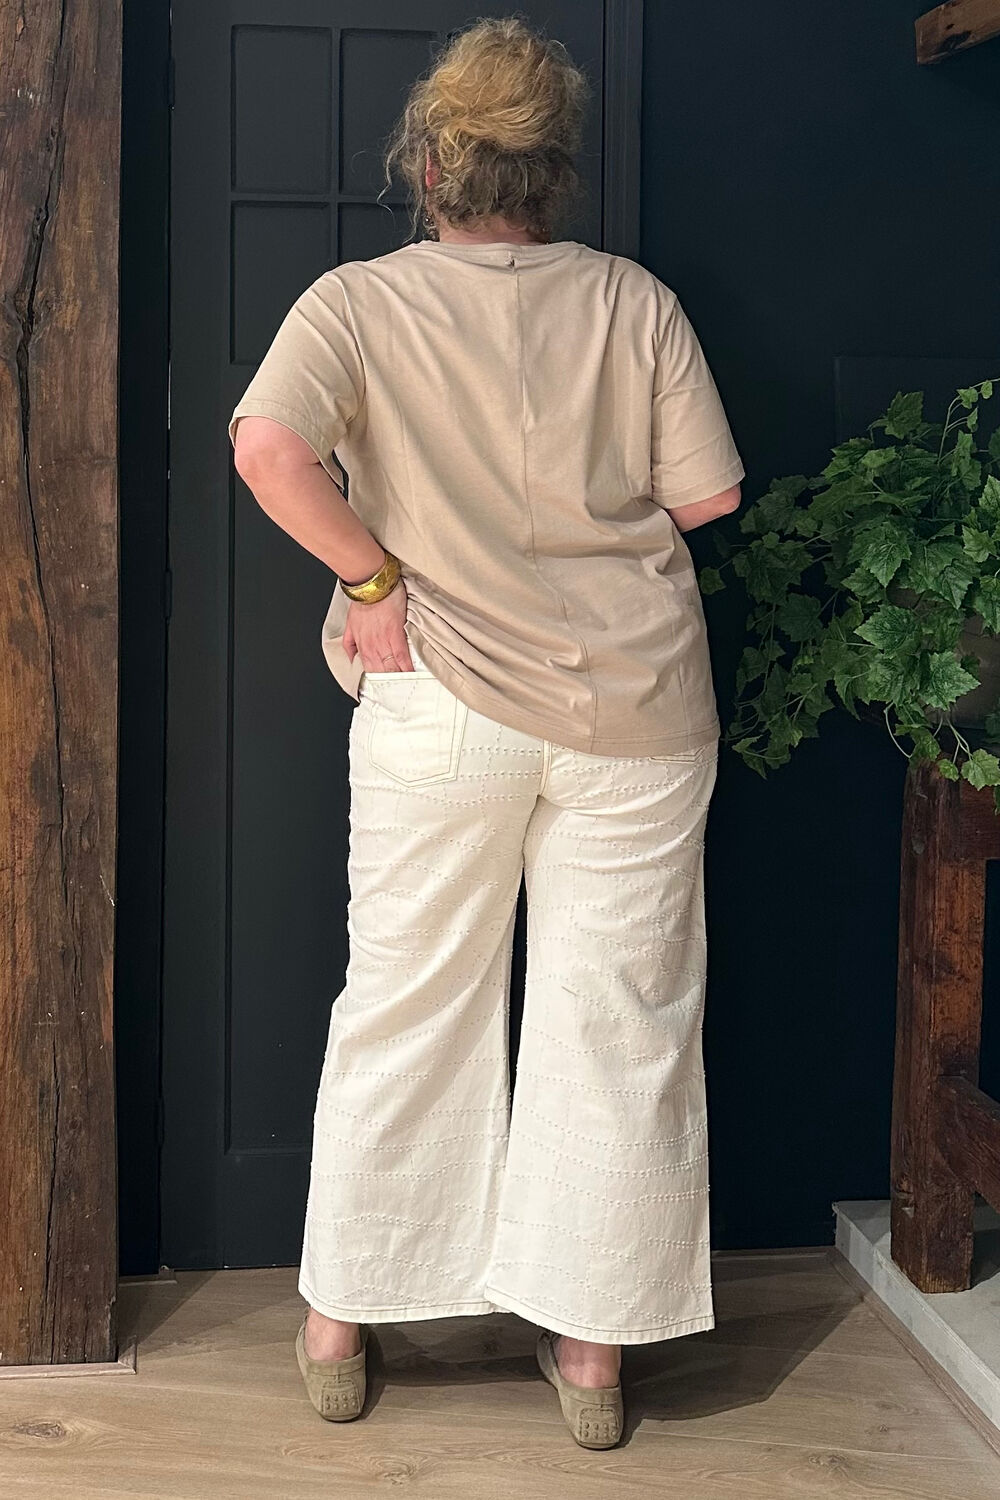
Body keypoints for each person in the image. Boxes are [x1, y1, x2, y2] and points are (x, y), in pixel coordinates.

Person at [228, 16, 743, 1450]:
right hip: (636, 711)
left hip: (440, 694)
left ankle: (343, 1322)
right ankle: (592, 1355)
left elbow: (266, 447)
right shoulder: (633, 300)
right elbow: (706, 499)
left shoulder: (355, 303)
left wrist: (374, 579)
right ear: (553, 173)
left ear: (430, 168)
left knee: (406, 999)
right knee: (618, 1018)